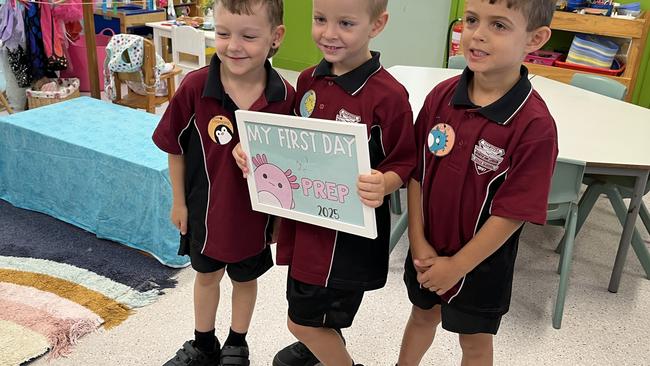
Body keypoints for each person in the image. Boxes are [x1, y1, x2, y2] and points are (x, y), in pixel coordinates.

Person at [235, 0, 415, 365]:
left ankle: (330, 352)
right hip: (307, 223)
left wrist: (385, 182)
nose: (329, 33)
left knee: (300, 321)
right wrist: (251, 147)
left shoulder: (389, 96)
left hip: (346, 239)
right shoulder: (308, 80)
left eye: (346, 23)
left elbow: (406, 160)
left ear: (377, 25)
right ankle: (319, 345)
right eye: (320, 19)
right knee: (313, 308)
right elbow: (287, 136)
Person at [396, 0, 558, 365]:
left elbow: (512, 212)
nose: (477, 34)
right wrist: (418, 243)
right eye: (471, 20)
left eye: (499, 25)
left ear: (535, 39)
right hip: (427, 250)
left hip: (483, 264)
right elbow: (418, 173)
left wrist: (457, 266)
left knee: (474, 342)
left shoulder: (534, 126)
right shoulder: (441, 95)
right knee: (421, 316)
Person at [152, 1, 295, 365]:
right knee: (206, 277)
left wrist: (281, 219)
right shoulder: (196, 86)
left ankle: (237, 342)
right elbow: (175, 148)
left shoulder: (285, 97)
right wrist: (179, 202)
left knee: (246, 280)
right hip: (205, 212)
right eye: (223, 33)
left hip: (255, 216)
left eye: (248, 36)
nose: (233, 45)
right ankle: (203, 343)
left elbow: (292, 163)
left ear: (275, 38)